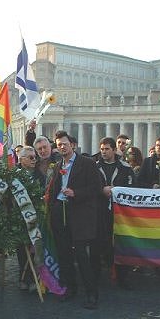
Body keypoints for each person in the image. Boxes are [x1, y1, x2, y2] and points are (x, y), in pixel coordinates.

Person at [48, 130, 102, 309]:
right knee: (64, 255)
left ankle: (91, 293)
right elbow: (55, 188)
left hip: (80, 215)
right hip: (61, 213)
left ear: (73, 145)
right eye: (58, 145)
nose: (61, 147)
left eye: (64, 144)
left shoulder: (87, 163)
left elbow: (96, 188)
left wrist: (76, 193)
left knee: (82, 256)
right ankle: (70, 288)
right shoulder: (57, 165)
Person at [96, 137, 135, 290]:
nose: (103, 152)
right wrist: (102, 190)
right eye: (102, 149)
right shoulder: (94, 167)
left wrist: (117, 191)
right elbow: (89, 185)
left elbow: (132, 187)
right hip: (100, 211)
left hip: (121, 213)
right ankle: (101, 274)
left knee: (120, 244)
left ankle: (122, 277)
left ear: (113, 150)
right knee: (101, 243)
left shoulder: (125, 168)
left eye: (106, 149)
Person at [16, 146, 43, 291]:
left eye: (35, 157)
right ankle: (22, 276)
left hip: (36, 217)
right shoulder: (14, 175)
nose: (34, 160)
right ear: (21, 159)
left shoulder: (40, 175)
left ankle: (34, 278)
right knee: (22, 250)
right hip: (19, 218)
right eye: (31, 157)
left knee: (35, 249)